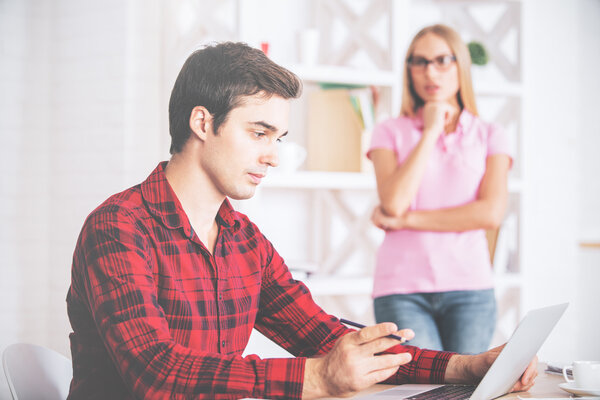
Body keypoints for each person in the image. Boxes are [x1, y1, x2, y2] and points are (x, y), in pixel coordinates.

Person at [66, 41, 533, 399]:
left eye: (279, 138)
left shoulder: (244, 241)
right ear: (203, 123)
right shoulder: (118, 228)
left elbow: (325, 336)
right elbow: (156, 374)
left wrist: (467, 367)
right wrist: (318, 376)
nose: (272, 156)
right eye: (258, 133)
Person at [368, 24, 513, 354]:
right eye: (419, 62)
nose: (430, 72)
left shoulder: (491, 134)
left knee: (466, 387)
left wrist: (406, 221)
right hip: (401, 289)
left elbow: (490, 213)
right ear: (409, 69)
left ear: (460, 64)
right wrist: (431, 130)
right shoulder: (388, 132)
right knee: (422, 389)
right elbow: (393, 203)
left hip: (470, 289)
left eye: (442, 60)